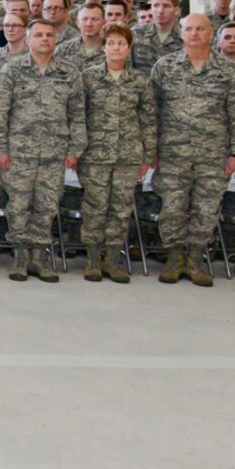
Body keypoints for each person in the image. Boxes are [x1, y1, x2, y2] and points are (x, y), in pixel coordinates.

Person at [149, 12, 235, 286]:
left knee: (206, 210)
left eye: (200, 29)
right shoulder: (164, 67)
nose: (194, 34)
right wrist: (152, 149)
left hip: (214, 155)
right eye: (189, 29)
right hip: (172, 153)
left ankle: (195, 260)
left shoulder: (229, 70)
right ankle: (173, 260)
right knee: (172, 208)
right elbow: (151, 112)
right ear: (181, 33)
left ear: (210, 34)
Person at [0, 17, 85, 282]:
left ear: (56, 40)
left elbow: (77, 115)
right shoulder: (12, 70)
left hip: (54, 152)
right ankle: (20, 255)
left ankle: (39, 257)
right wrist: (0, 148)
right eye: (38, 35)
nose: (44, 39)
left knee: (47, 204)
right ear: (27, 39)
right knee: (18, 204)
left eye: (49, 35)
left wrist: (75, 149)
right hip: (18, 152)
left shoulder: (69, 73)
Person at [79, 24, 156, 283]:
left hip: (128, 154)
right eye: (110, 43)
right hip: (95, 155)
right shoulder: (88, 78)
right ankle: (92, 259)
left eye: (121, 44)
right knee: (95, 206)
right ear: (103, 47)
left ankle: (112, 259)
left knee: (120, 208)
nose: (115, 48)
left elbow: (148, 120)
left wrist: (147, 155)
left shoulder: (140, 81)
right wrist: (77, 149)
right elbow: (79, 115)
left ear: (129, 48)